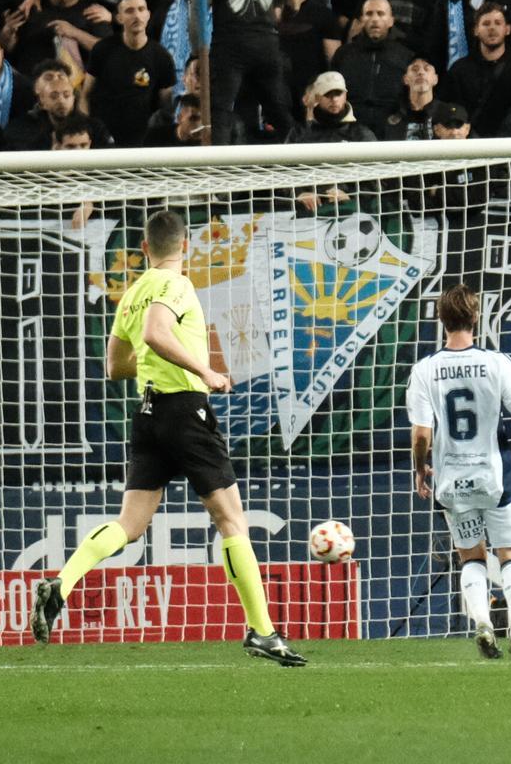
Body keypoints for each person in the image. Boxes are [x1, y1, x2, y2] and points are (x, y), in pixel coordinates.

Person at [29, 210, 307, 667]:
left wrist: (158, 359)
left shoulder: (132, 293)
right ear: (186, 247)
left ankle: (62, 584)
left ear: (144, 248)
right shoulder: (176, 285)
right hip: (184, 411)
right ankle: (262, 631)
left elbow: (115, 366)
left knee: (130, 524)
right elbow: (157, 333)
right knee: (231, 521)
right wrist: (205, 370)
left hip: (148, 414)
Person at [406, 282, 511, 659]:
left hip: (452, 480)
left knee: (471, 557)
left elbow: (421, 434)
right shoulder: (495, 362)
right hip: (496, 477)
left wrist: (420, 470)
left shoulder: (424, 369)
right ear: (475, 316)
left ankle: (482, 622)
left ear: (441, 319)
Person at [206, 0, 300, 145]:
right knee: (277, 108)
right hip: (266, 42)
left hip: (229, 44)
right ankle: (298, 155)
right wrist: (277, 15)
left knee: (220, 110)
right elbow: (294, 1)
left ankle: (217, 161)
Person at [83, 0, 174, 148]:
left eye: (141, 9)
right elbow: (85, 94)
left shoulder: (161, 56)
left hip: (142, 142)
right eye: (129, 11)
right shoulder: (102, 50)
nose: (137, 16)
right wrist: (87, 130)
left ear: (148, 15)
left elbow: (166, 106)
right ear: (119, 18)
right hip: (104, 140)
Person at [438, 2, 511, 139]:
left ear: (507, 29)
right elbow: (448, 109)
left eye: (498, 23)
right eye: (486, 24)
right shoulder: (459, 70)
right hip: (469, 144)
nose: (492, 28)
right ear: (476, 30)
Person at [0, 0, 111, 79]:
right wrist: (6, 34)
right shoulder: (29, 9)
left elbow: (109, 51)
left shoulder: (93, 12)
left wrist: (75, 33)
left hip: (73, 85)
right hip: (28, 82)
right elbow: (3, 49)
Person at [331, 0, 414, 136]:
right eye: (369, 14)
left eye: (381, 14)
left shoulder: (405, 56)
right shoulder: (344, 54)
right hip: (350, 128)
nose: (375, 19)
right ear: (362, 20)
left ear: (391, 21)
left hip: (393, 130)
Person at [286, 70, 378, 143]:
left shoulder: (361, 134)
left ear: (345, 95)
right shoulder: (299, 133)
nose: (334, 99)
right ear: (317, 97)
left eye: (338, 93)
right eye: (328, 94)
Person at [385, 56, 438, 140]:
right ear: (405, 79)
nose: (421, 72)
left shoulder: (446, 115)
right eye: (415, 69)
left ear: (435, 79)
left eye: (426, 69)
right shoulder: (390, 115)